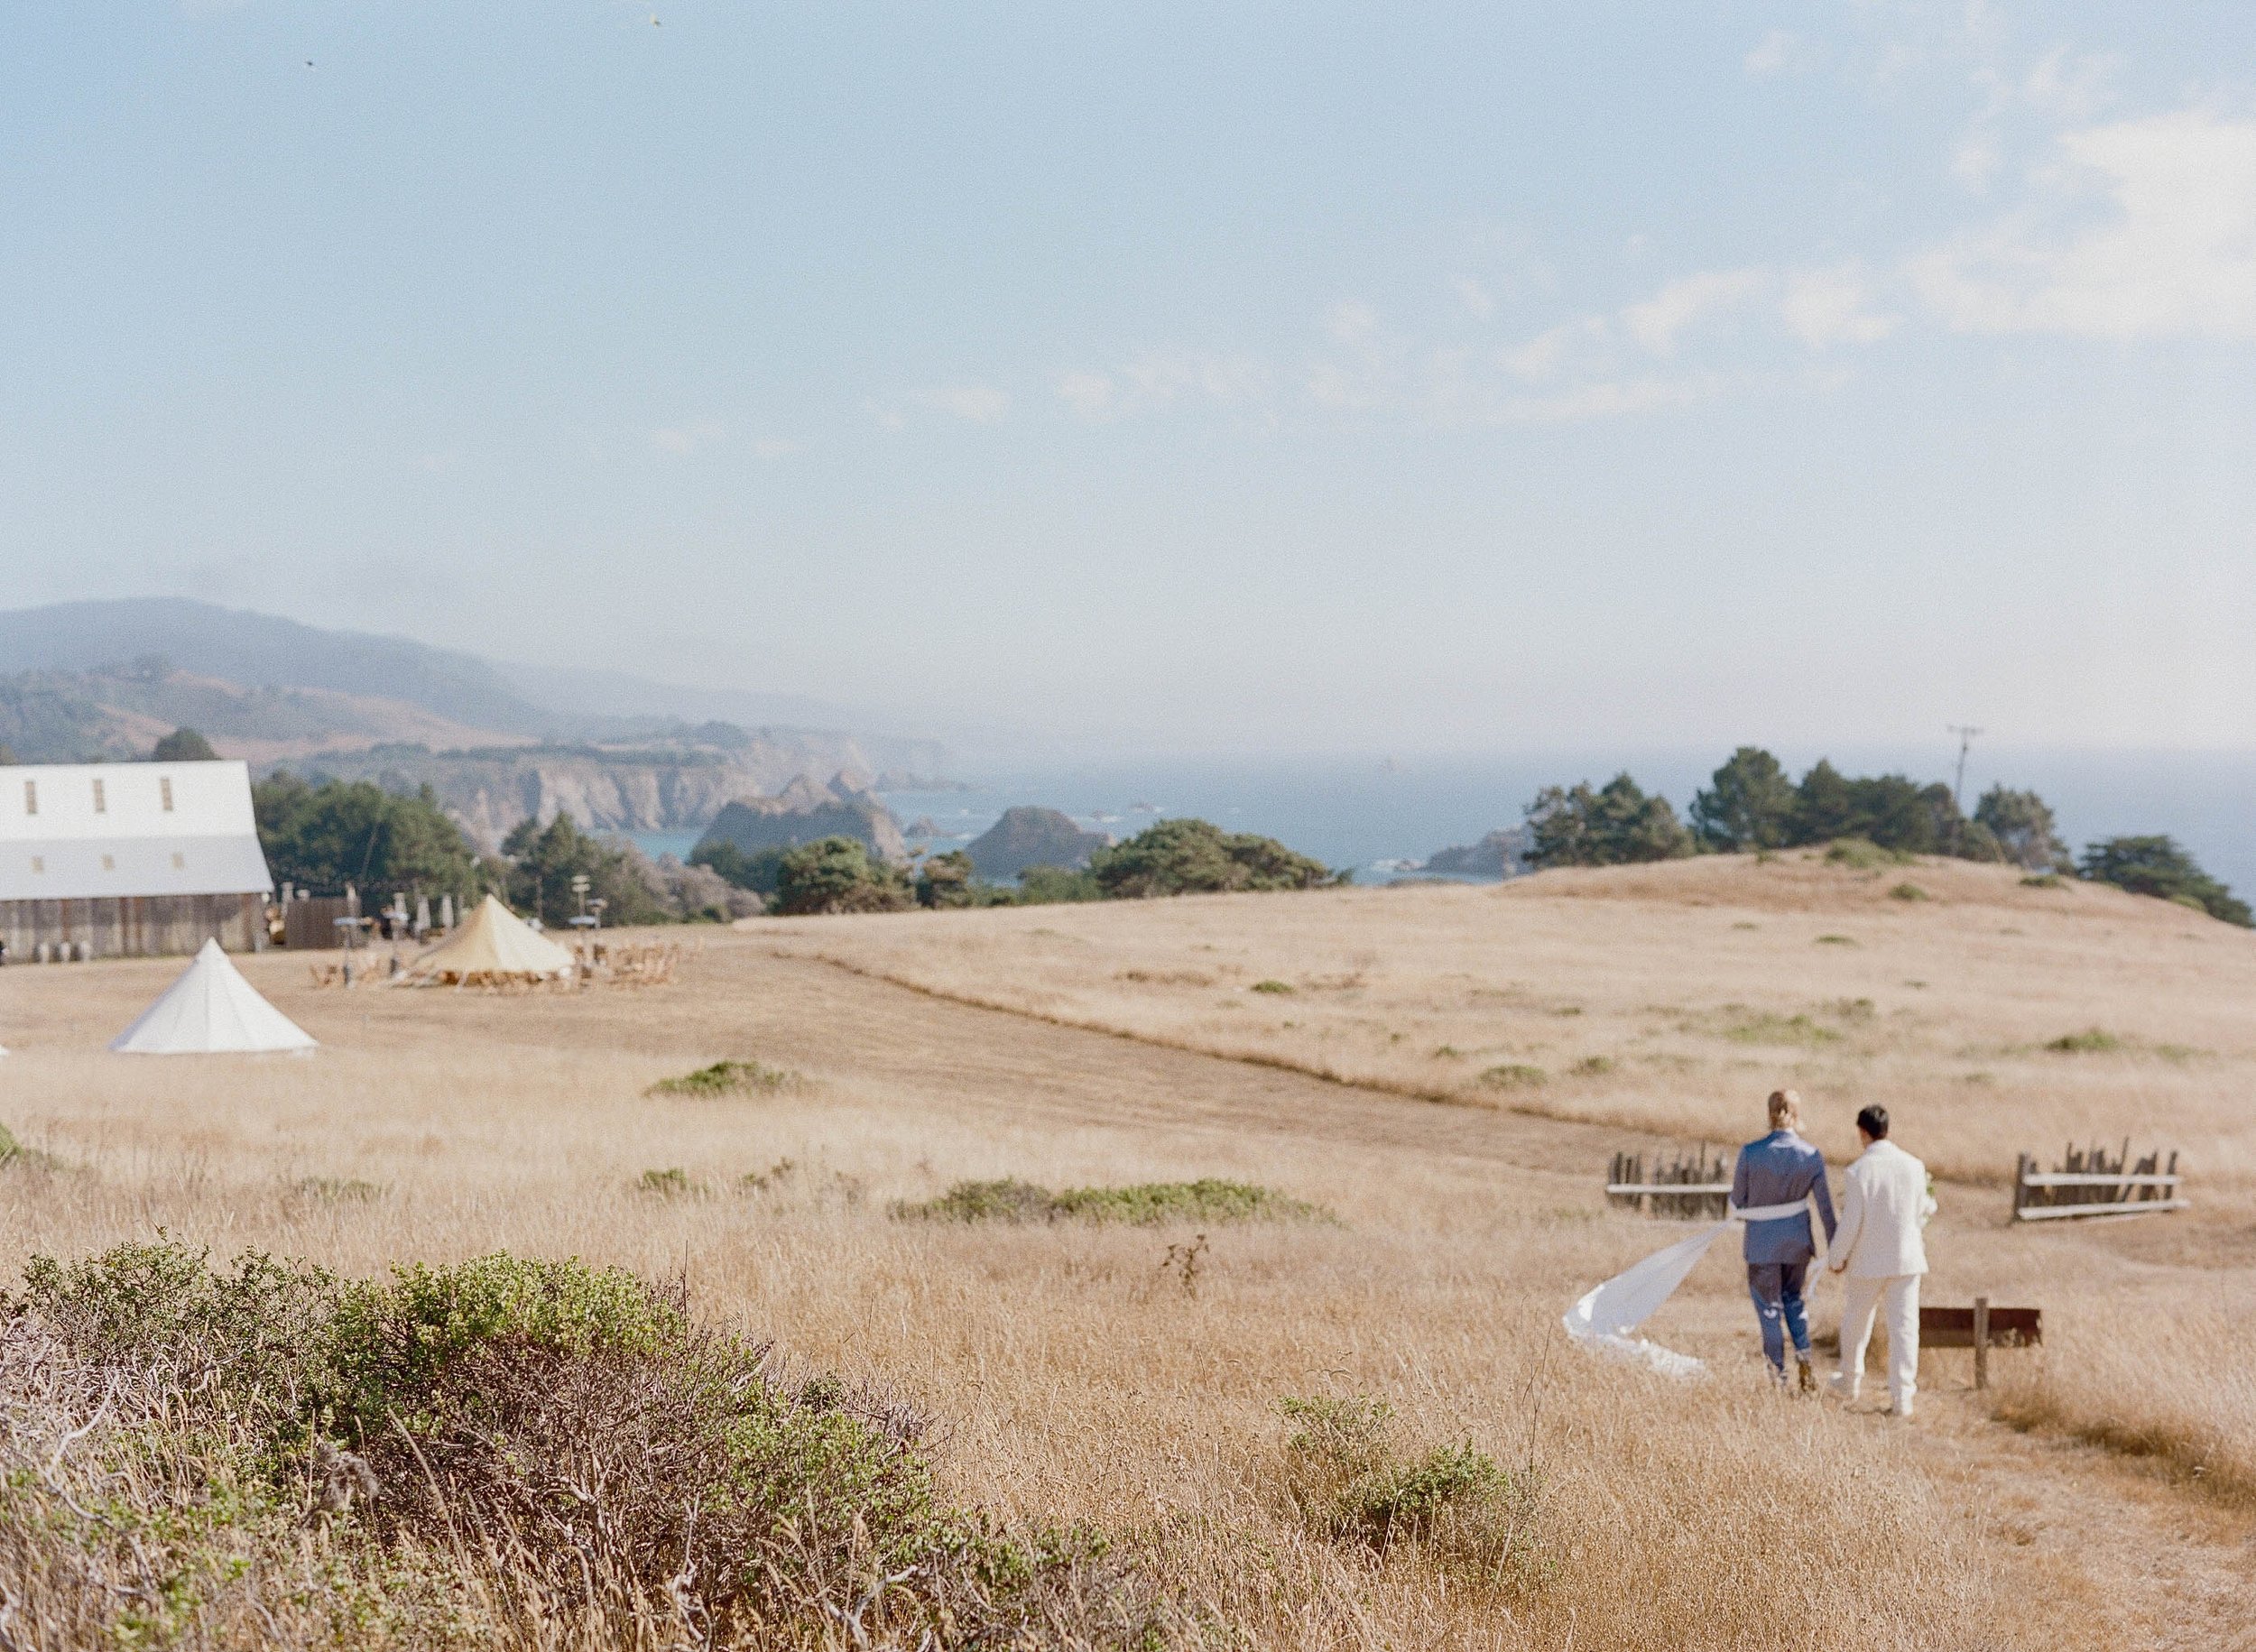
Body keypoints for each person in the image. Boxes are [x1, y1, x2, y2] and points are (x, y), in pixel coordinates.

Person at [1827, 1103, 1932, 1419]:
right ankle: (1903, 1397)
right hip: (1906, 1258)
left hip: (1868, 1261)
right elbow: (1921, 1211)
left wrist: (1837, 1257)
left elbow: (1851, 1222)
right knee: (1905, 1328)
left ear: (1863, 1132)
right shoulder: (1914, 1166)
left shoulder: (1859, 1171)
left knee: (1856, 1323)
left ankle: (1850, 1381)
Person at [1732, 1089, 1836, 1391]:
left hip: (1762, 1245)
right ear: (1797, 1114)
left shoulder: (1751, 1153)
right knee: (1794, 1300)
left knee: (1769, 1310)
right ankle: (1804, 1357)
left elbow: (1737, 1200)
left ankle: (1777, 1376)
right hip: (1797, 1243)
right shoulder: (1810, 1155)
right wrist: (1836, 1248)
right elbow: (1825, 1208)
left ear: (1769, 1113)